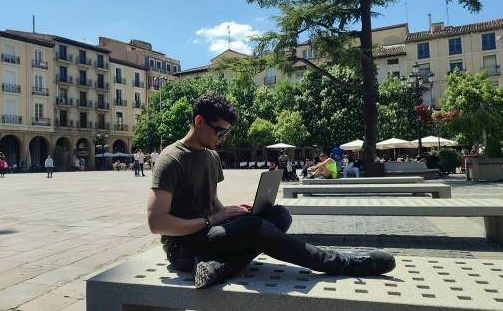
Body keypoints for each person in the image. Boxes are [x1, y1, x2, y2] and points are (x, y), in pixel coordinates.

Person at [147, 93, 395, 289]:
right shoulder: (171, 159)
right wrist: (212, 220)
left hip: (208, 235)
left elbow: (211, 202)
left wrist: (231, 213)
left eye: (227, 132)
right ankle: (342, 263)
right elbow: (157, 222)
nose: (223, 137)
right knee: (255, 229)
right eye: (219, 130)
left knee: (279, 216)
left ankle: (219, 265)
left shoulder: (211, 157)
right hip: (183, 247)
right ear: (198, 121)